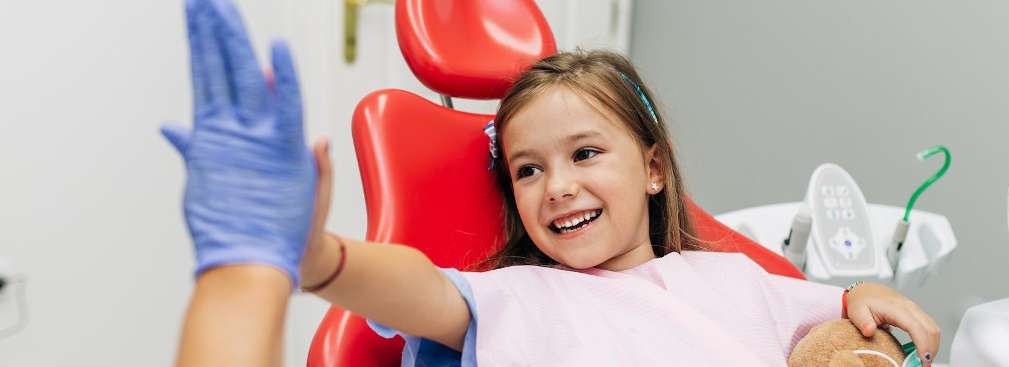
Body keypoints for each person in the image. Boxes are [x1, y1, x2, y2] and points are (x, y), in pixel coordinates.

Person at [167, 0, 941, 366]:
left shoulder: (735, 276)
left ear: (654, 168)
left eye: (584, 154)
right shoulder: (519, 297)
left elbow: (840, 327)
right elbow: (418, 287)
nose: (556, 186)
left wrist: (863, 296)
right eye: (528, 170)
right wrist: (319, 258)